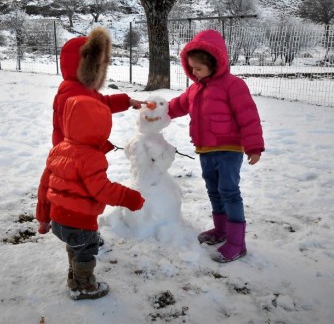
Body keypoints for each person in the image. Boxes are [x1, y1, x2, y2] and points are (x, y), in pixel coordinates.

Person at [36, 26, 144, 236]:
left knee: (65, 188)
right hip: (73, 151)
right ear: (84, 66)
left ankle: (57, 221)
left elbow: (102, 102)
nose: (101, 71)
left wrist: (127, 101)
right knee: (77, 191)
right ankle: (73, 229)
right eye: (98, 66)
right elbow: (84, 118)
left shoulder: (83, 90)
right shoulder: (72, 92)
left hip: (71, 150)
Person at [168, 29, 264, 263]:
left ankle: (237, 242)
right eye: (191, 68)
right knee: (213, 191)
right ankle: (220, 230)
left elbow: (247, 116)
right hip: (205, 150)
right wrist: (156, 110)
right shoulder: (195, 89)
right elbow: (177, 106)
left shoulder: (233, 85)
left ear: (214, 63)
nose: (194, 72)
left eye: (198, 68)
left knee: (229, 192)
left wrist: (254, 146)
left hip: (229, 149)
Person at [43, 95, 145, 300]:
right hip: (80, 222)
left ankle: (75, 276)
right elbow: (102, 190)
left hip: (58, 219)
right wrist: (129, 198)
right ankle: (84, 286)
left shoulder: (59, 149)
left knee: (75, 247)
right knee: (86, 250)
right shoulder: (91, 158)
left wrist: (43, 216)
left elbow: (45, 183)